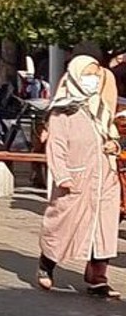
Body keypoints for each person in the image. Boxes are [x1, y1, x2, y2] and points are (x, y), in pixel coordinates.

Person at [39, 55, 121, 298]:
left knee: (103, 228)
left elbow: (112, 135)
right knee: (63, 224)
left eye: (96, 75)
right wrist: (63, 176)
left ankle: (98, 278)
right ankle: (47, 264)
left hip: (105, 177)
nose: (93, 80)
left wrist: (114, 146)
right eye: (87, 75)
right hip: (77, 178)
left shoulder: (101, 107)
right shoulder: (62, 111)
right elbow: (56, 147)